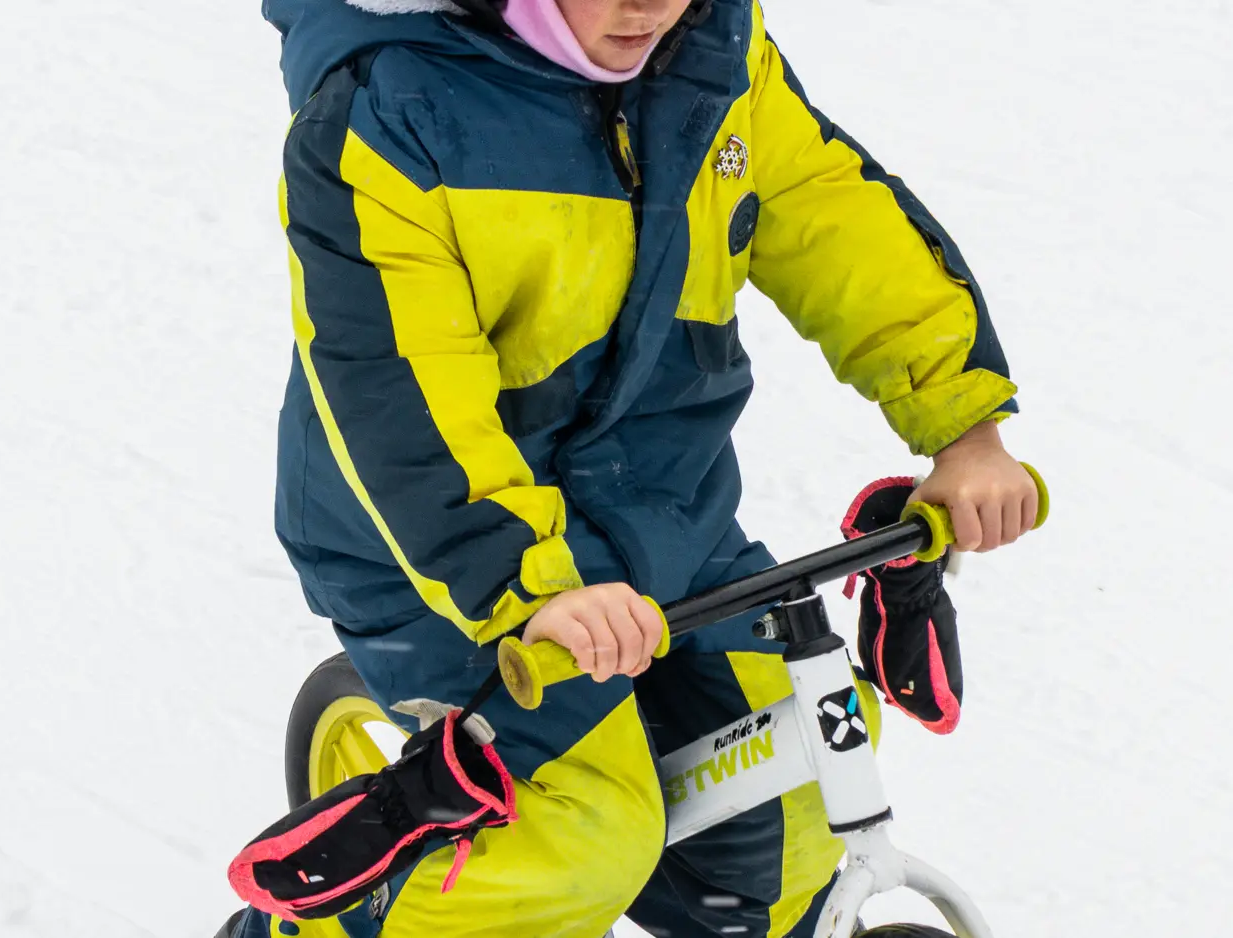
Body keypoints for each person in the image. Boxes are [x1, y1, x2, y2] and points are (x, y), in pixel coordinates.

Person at [229, 0, 1038, 935]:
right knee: (580, 833)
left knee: (793, 794)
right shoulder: (389, 111)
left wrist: (965, 426)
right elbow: (396, 391)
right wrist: (525, 584)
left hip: (660, 515)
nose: (650, 5)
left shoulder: (716, 53)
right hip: (440, 543)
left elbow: (836, 221)